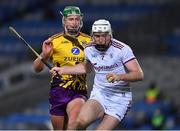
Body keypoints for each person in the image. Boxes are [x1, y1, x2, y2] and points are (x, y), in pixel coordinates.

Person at [50, 19, 144, 130]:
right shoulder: (89, 49)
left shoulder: (122, 49)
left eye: (104, 36)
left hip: (119, 100)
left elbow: (139, 74)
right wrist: (63, 70)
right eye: (97, 36)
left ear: (110, 35)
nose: (100, 40)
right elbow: (86, 68)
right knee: (78, 123)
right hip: (100, 94)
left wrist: (119, 77)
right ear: (92, 36)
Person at [33, 6, 91, 130]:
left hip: (78, 90)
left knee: (74, 125)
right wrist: (43, 55)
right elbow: (37, 68)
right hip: (58, 91)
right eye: (71, 19)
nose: (74, 22)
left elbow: (91, 66)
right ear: (64, 21)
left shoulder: (89, 41)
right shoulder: (53, 41)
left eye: (76, 19)